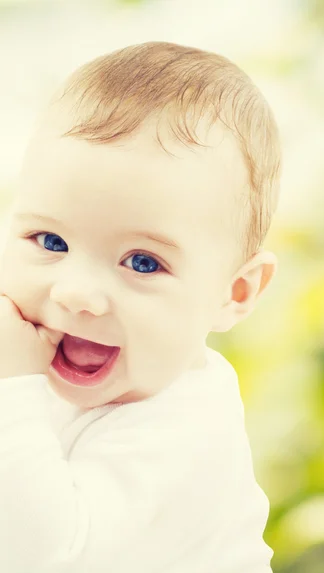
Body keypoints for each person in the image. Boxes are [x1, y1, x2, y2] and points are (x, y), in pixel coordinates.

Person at [0, 41, 281, 573]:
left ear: (235, 293)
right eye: (50, 241)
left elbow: (40, 555)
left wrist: (11, 389)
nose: (75, 293)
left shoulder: (186, 430)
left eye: (143, 263)